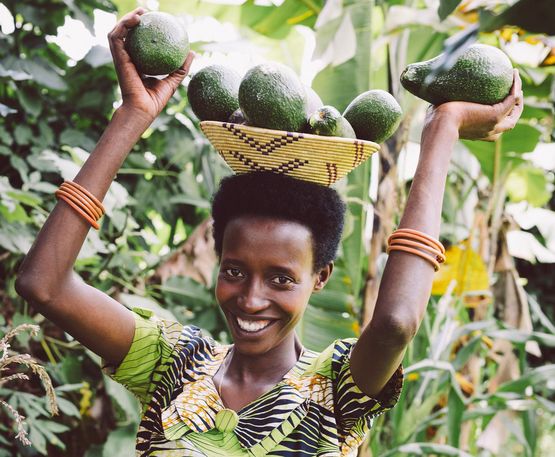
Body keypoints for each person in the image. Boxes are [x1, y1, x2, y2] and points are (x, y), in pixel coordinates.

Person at [15, 7, 523, 457]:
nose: (250, 299)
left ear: (320, 277)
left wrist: (442, 128)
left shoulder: (336, 387)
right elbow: (44, 284)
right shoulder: (173, 364)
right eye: (235, 270)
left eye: (281, 278)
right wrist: (133, 115)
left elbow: (393, 323)